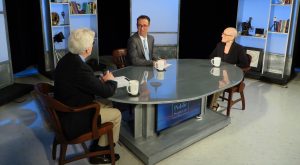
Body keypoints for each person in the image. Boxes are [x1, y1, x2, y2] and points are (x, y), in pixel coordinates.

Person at [53, 28, 121, 164]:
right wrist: (111, 80)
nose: (92, 46)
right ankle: (101, 152)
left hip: (65, 108)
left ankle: (100, 141)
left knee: (108, 104)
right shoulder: (80, 68)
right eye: (92, 43)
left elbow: (81, 83)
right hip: (74, 117)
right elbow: (108, 92)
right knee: (117, 113)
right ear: (86, 50)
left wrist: (97, 82)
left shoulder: (65, 60)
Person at [209, 27, 249, 111]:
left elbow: (245, 64)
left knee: (218, 84)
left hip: (233, 76)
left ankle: (211, 106)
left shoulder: (239, 48)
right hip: (219, 73)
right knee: (208, 81)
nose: (222, 35)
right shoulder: (219, 45)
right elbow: (211, 57)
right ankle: (209, 105)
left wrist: (233, 66)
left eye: (224, 34)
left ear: (231, 37)